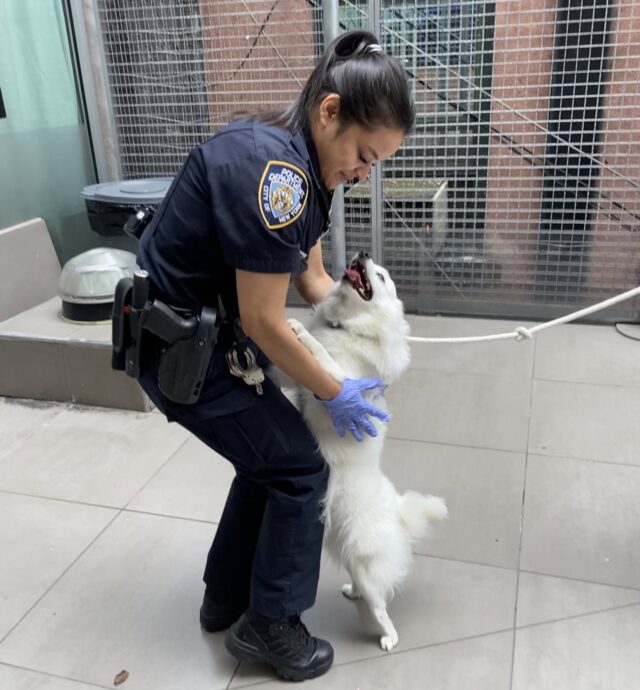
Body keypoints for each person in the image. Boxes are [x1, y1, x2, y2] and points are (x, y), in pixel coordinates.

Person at [134, 29, 414, 682]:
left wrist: (365, 309)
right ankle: (271, 626)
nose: (364, 172)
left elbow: (308, 282)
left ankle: (226, 598)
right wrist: (332, 389)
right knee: (299, 469)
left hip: (204, 342)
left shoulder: (309, 173)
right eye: (364, 155)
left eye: (376, 164)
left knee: (269, 460)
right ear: (329, 113)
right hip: (182, 355)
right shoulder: (279, 180)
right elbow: (265, 320)